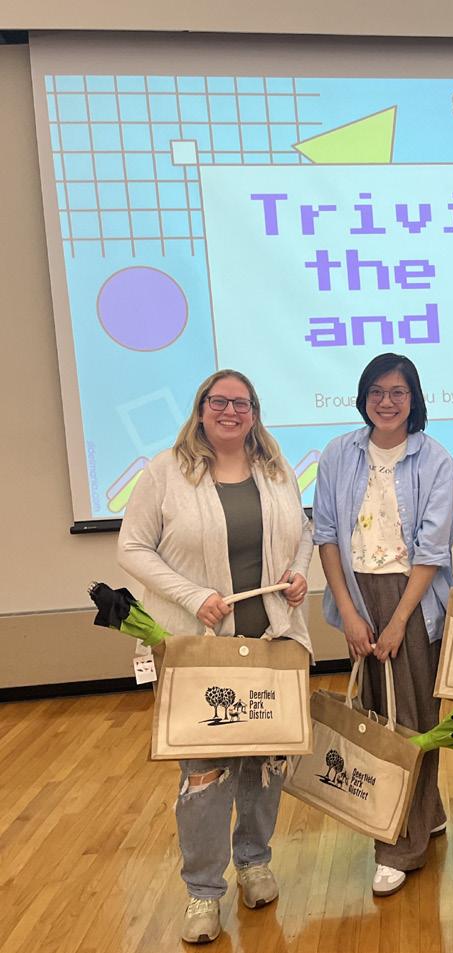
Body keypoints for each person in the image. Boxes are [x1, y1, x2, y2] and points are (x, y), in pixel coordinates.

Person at [117, 370, 313, 944]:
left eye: (241, 403)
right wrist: (192, 596)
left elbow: (303, 531)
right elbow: (131, 547)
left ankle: (254, 862)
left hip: (272, 642)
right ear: (201, 408)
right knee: (204, 773)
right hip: (200, 650)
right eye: (219, 402)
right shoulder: (166, 472)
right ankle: (203, 891)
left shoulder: (275, 469)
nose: (230, 412)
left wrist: (299, 572)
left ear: (255, 412)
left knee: (264, 760)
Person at [312, 353, 453, 897]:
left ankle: (399, 845)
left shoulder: (435, 459)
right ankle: (426, 811)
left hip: (410, 598)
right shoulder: (339, 453)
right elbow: (327, 535)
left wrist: (397, 622)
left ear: (413, 399)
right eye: (377, 391)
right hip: (358, 594)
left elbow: (433, 551)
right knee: (375, 714)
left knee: (411, 719)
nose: (387, 401)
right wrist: (349, 612)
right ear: (363, 397)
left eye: (398, 392)